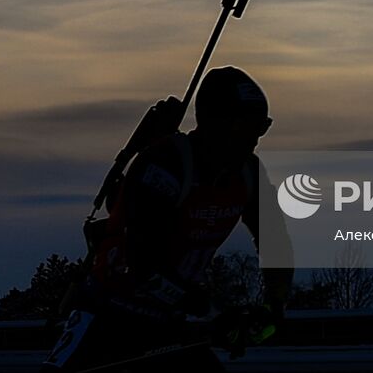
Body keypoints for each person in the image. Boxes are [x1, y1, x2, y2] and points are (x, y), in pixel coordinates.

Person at [43, 66, 294, 372]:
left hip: (168, 321)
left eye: (262, 126)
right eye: (247, 125)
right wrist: (214, 314)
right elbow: (143, 265)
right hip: (108, 313)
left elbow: (275, 239)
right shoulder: (164, 165)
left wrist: (274, 305)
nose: (255, 138)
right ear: (213, 122)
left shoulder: (249, 173)